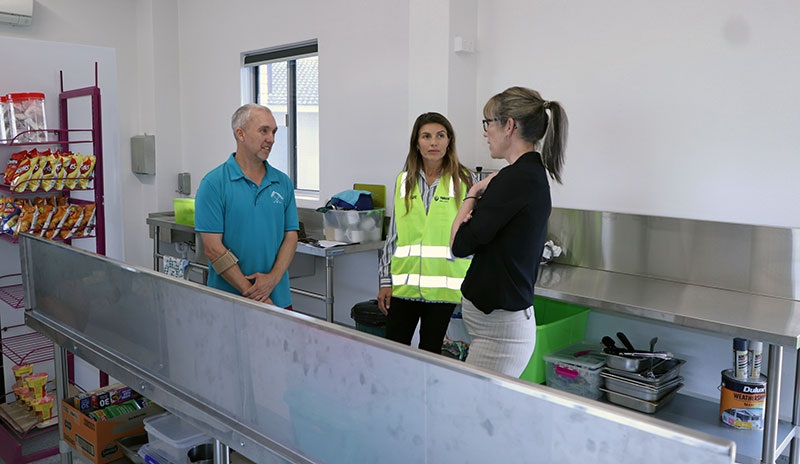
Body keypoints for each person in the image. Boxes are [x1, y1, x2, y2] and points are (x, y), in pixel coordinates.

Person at [450, 87, 568, 376]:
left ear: (509, 126)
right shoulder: (525, 175)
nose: (485, 132)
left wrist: (473, 193)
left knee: (474, 413)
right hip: (497, 328)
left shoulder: (515, 179)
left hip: (500, 334)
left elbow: (459, 243)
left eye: (488, 123)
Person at [377, 112, 475, 354]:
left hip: (443, 289)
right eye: (427, 136)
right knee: (394, 352)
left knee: (430, 355)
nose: (434, 142)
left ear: (449, 140)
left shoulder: (462, 181)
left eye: (440, 136)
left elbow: (470, 237)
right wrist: (385, 281)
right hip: (403, 287)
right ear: (416, 142)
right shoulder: (403, 181)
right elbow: (394, 237)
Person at [195, 103, 299, 309]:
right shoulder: (214, 183)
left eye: (274, 131)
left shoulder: (283, 183)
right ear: (240, 134)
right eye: (263, 131)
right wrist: (255, 294)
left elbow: (291, 235)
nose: (271, 138)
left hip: (278, 298)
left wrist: (271, 280)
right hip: (229, 301)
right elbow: (213, 249)